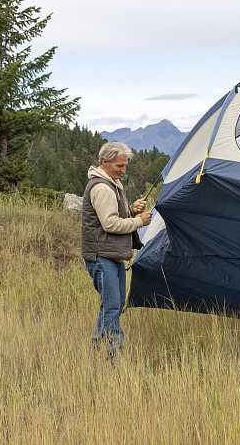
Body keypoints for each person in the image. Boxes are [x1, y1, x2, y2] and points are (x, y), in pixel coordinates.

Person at [81, 141, 152, 357]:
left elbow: (114, 216)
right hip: (102, 256)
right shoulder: (102, 187)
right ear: (105, 162)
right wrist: (139, 221)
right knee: (112, 306)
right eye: (119, 166)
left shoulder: (110, 183)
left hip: (112, 256)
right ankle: (110, 354)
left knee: (114, 304)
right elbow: (110, 224)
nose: (123, 170)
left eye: (124, 166)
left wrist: (130, 210)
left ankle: (101, 351)